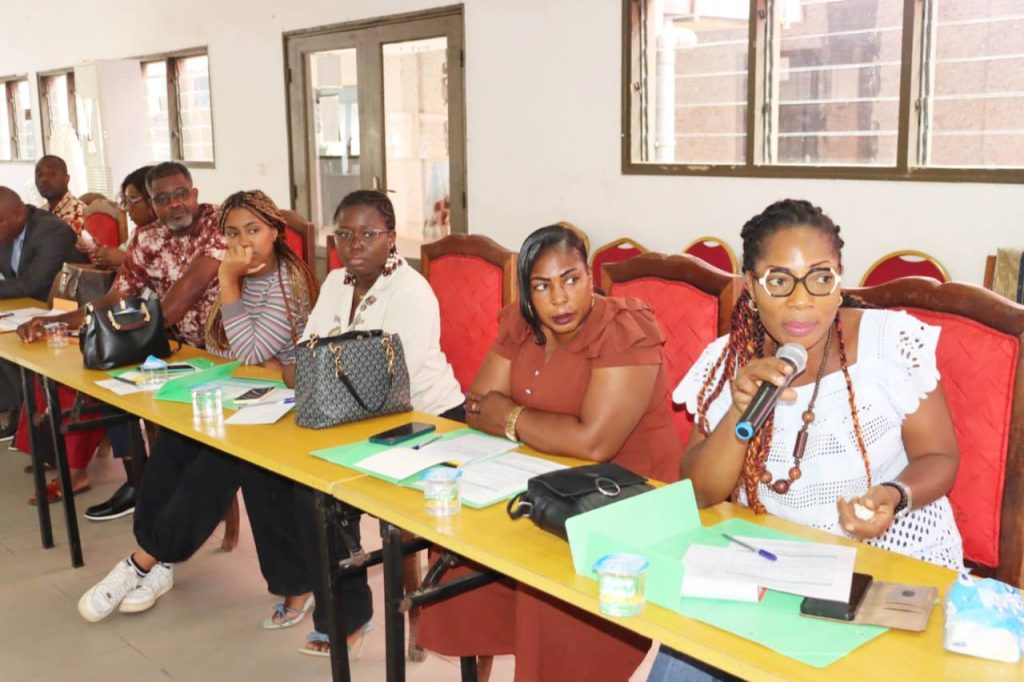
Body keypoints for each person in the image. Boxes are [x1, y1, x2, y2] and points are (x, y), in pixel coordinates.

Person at [648, 199, 963, 681]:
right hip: (777, 566)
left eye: (820, 278)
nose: (801, 301)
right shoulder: (731, 360)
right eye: (779, 281)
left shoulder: (890, 343)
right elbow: (699, 492)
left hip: (888, 566)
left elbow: (939, 456)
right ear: (751, 288)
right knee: (683, 663)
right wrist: (739, 408)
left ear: (840, 282)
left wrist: (893, 496)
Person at [418, 225, 682, 682]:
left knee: (548, 588)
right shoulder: (522, 323)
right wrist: (532, 425)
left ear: (590, 277)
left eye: (571, 280)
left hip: (624, 489)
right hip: (544, 476)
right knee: (462, 542)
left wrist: (514, 418)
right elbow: (480, 403)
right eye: (542, 286)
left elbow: (595, 443)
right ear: (527, 290)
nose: (559, 299)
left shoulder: (623, 330)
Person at [77, 189, 322, 624]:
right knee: (174, 439)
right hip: (247, 393)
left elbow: (244, 350)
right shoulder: (244, 272)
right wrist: (259, 355)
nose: (242, 243)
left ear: (276, 232)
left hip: (287, 407)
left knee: (218, 459)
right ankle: (158, 560)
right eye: (231, 233)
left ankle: (141, 562)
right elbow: (223, 346)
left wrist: (228, 283)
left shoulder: (287, 279)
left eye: (254, 231)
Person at [290, 189, 465, 657]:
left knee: (332, 492)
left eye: (369, 234)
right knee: (305, 487)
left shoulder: (411, 291)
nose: (354, 245)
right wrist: (328, 363)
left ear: (391, 238)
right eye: (344, 234)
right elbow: (309, 350)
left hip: (428, 421)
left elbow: (388, 379)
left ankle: (378, 614)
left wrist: (328, 362)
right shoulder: (335, 284)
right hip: (351, 417)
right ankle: (349, 613)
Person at [18, 161, 225, 516]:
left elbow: (190, 288)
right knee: (109, 381)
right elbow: (116, 298)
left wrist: (131, 337)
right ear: (153, 204)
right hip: (174, 350)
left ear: (195, 194)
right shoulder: (148, 237)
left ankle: (166, 492)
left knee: (119, 363)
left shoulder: (217, 223)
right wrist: (59, 322)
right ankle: (141, 485)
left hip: (223, 350)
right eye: (163, 199)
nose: (175, 204)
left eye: (181, 194)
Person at [0, 186, 88, 439]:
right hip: (26, 310)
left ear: (18, 214)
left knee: (13, 348)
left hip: (66, 312)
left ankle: (32, 421)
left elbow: (33, 284)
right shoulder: (7, 231)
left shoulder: (51, 230)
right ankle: (23, 414)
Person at [83, 165, 157, 269]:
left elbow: (160, 270)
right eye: (125, 201)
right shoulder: (137, 231)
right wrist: (104, 254)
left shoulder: (166, 236)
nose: (127, 208)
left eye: (132, 200)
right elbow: (121, 253)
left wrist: (124, 259)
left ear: (153, 199)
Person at [35, 155, 85, 234]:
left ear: (67, 178)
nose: (43, 180)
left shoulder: (80, 214)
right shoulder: (39, 214)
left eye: (52, 174)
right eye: (39, 175)